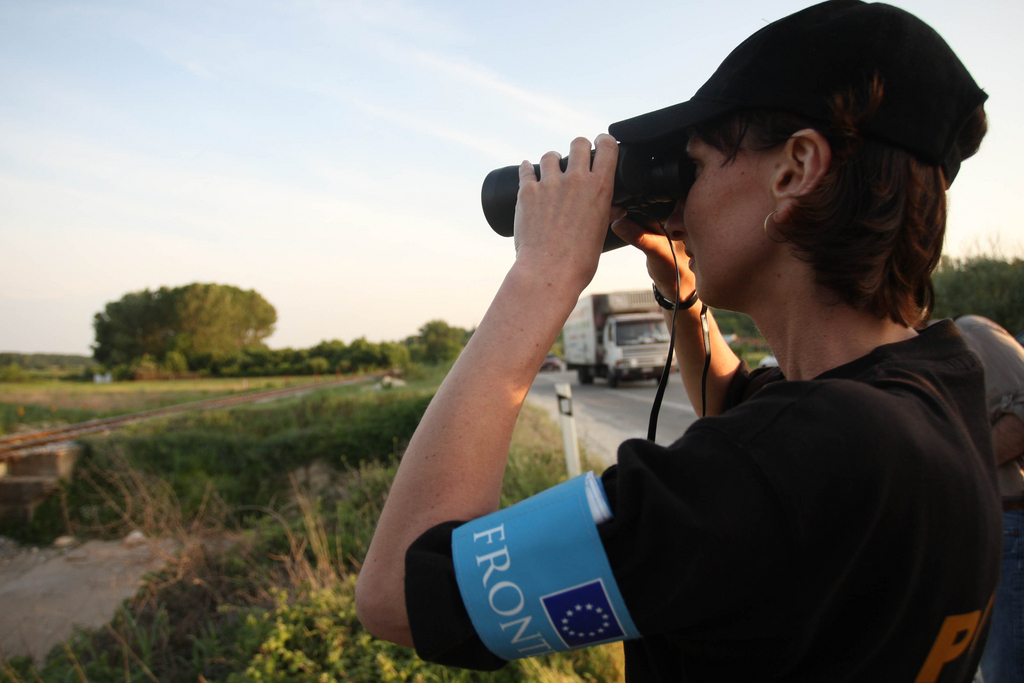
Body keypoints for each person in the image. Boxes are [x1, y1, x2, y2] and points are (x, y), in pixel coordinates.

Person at [356, 1, 1002, 681]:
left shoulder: (800, 458)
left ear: (795, 169)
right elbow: (746, 413)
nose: (684, 202)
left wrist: (541, 278)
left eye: (696, 166)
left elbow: (401, 590)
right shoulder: (938, 378)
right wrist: (680, 286)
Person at [955, 315, 1024, 683]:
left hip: (1009, 521)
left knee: (1006, 670)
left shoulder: (970, 333)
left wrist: (965, 462)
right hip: (985, 525)